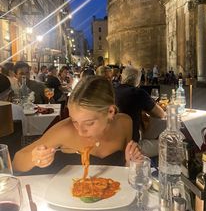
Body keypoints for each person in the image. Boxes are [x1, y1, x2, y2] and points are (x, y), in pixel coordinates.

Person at [12, 76, 142, 174]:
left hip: (111, 196)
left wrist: (130, 163)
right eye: (74, 121)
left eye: (89, 123)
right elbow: (17, 161)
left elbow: (124, 168)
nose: (80, 131)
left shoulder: (125, 123)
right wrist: (36, 157)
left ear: (110, 111)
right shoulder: (64, 130)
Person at [115, 66, 165, 143]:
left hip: (112, 143)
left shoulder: (112, 90)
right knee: (165, 142)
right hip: (132, 145)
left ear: (122, 77)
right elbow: (160, 114)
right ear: (138, 80)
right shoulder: (138, 93)